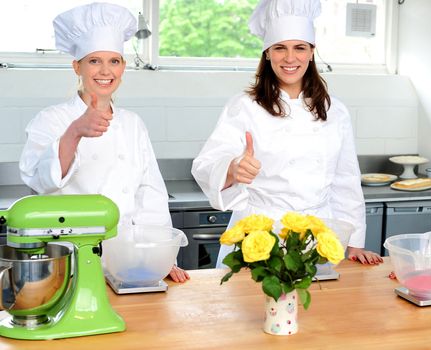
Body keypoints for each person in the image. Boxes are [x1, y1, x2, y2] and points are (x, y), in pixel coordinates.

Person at [192, 0, 383, 268]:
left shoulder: (334, 110)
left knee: (317, 308)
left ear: (312, 52)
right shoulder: (244, 106)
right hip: (259, 235)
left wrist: (354, 243)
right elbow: (205, 164)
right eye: (280, 48)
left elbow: (346, 180)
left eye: (299, 48)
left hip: (317, 238)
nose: (290, 58)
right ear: (267, 53)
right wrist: (232, 168)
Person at [19, 2, 189, 283]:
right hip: (69, 260)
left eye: (114, 61)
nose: (105, 70)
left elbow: (151, 196)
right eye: (94, 61)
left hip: (128, 262)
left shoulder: (133, 123)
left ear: (123, 67)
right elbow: (40, 181)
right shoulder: (51, 119)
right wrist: (73, 133)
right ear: (77, 66)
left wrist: (161, 257)